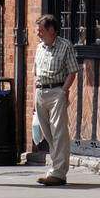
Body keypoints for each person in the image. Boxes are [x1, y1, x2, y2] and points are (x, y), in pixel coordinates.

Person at [32, 14, 78, 186]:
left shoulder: (65, 46)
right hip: (40, 92)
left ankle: (58, 173)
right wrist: (34, 98)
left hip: (56, 91)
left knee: (59, 133)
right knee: (48, 134)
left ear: (51, 30)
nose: (39, 34)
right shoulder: (39, 48)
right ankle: (55, 168)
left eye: (41, 31)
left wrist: (62, 92)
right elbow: (35, 73)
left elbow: (72, 72)